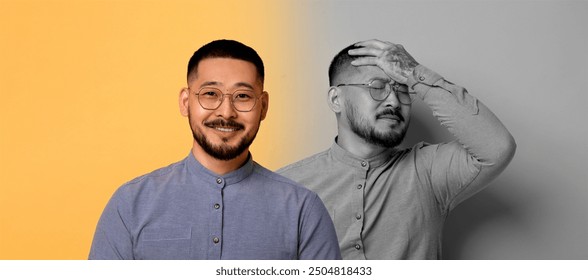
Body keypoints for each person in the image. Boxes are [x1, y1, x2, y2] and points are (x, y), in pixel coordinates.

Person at [89, 39, 341, 260]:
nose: (226, 112)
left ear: (263, 107)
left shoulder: (302, 209)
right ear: (186, 103)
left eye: (242, 96)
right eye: (210, 93)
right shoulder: (131, 203)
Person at [277, 39, 516, 259]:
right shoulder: (287, 188)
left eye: (402, 90)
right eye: (377, 86)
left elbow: (497, 147)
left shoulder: (428, 172)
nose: (393, 101)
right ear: (336, 99)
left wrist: (413, 73)